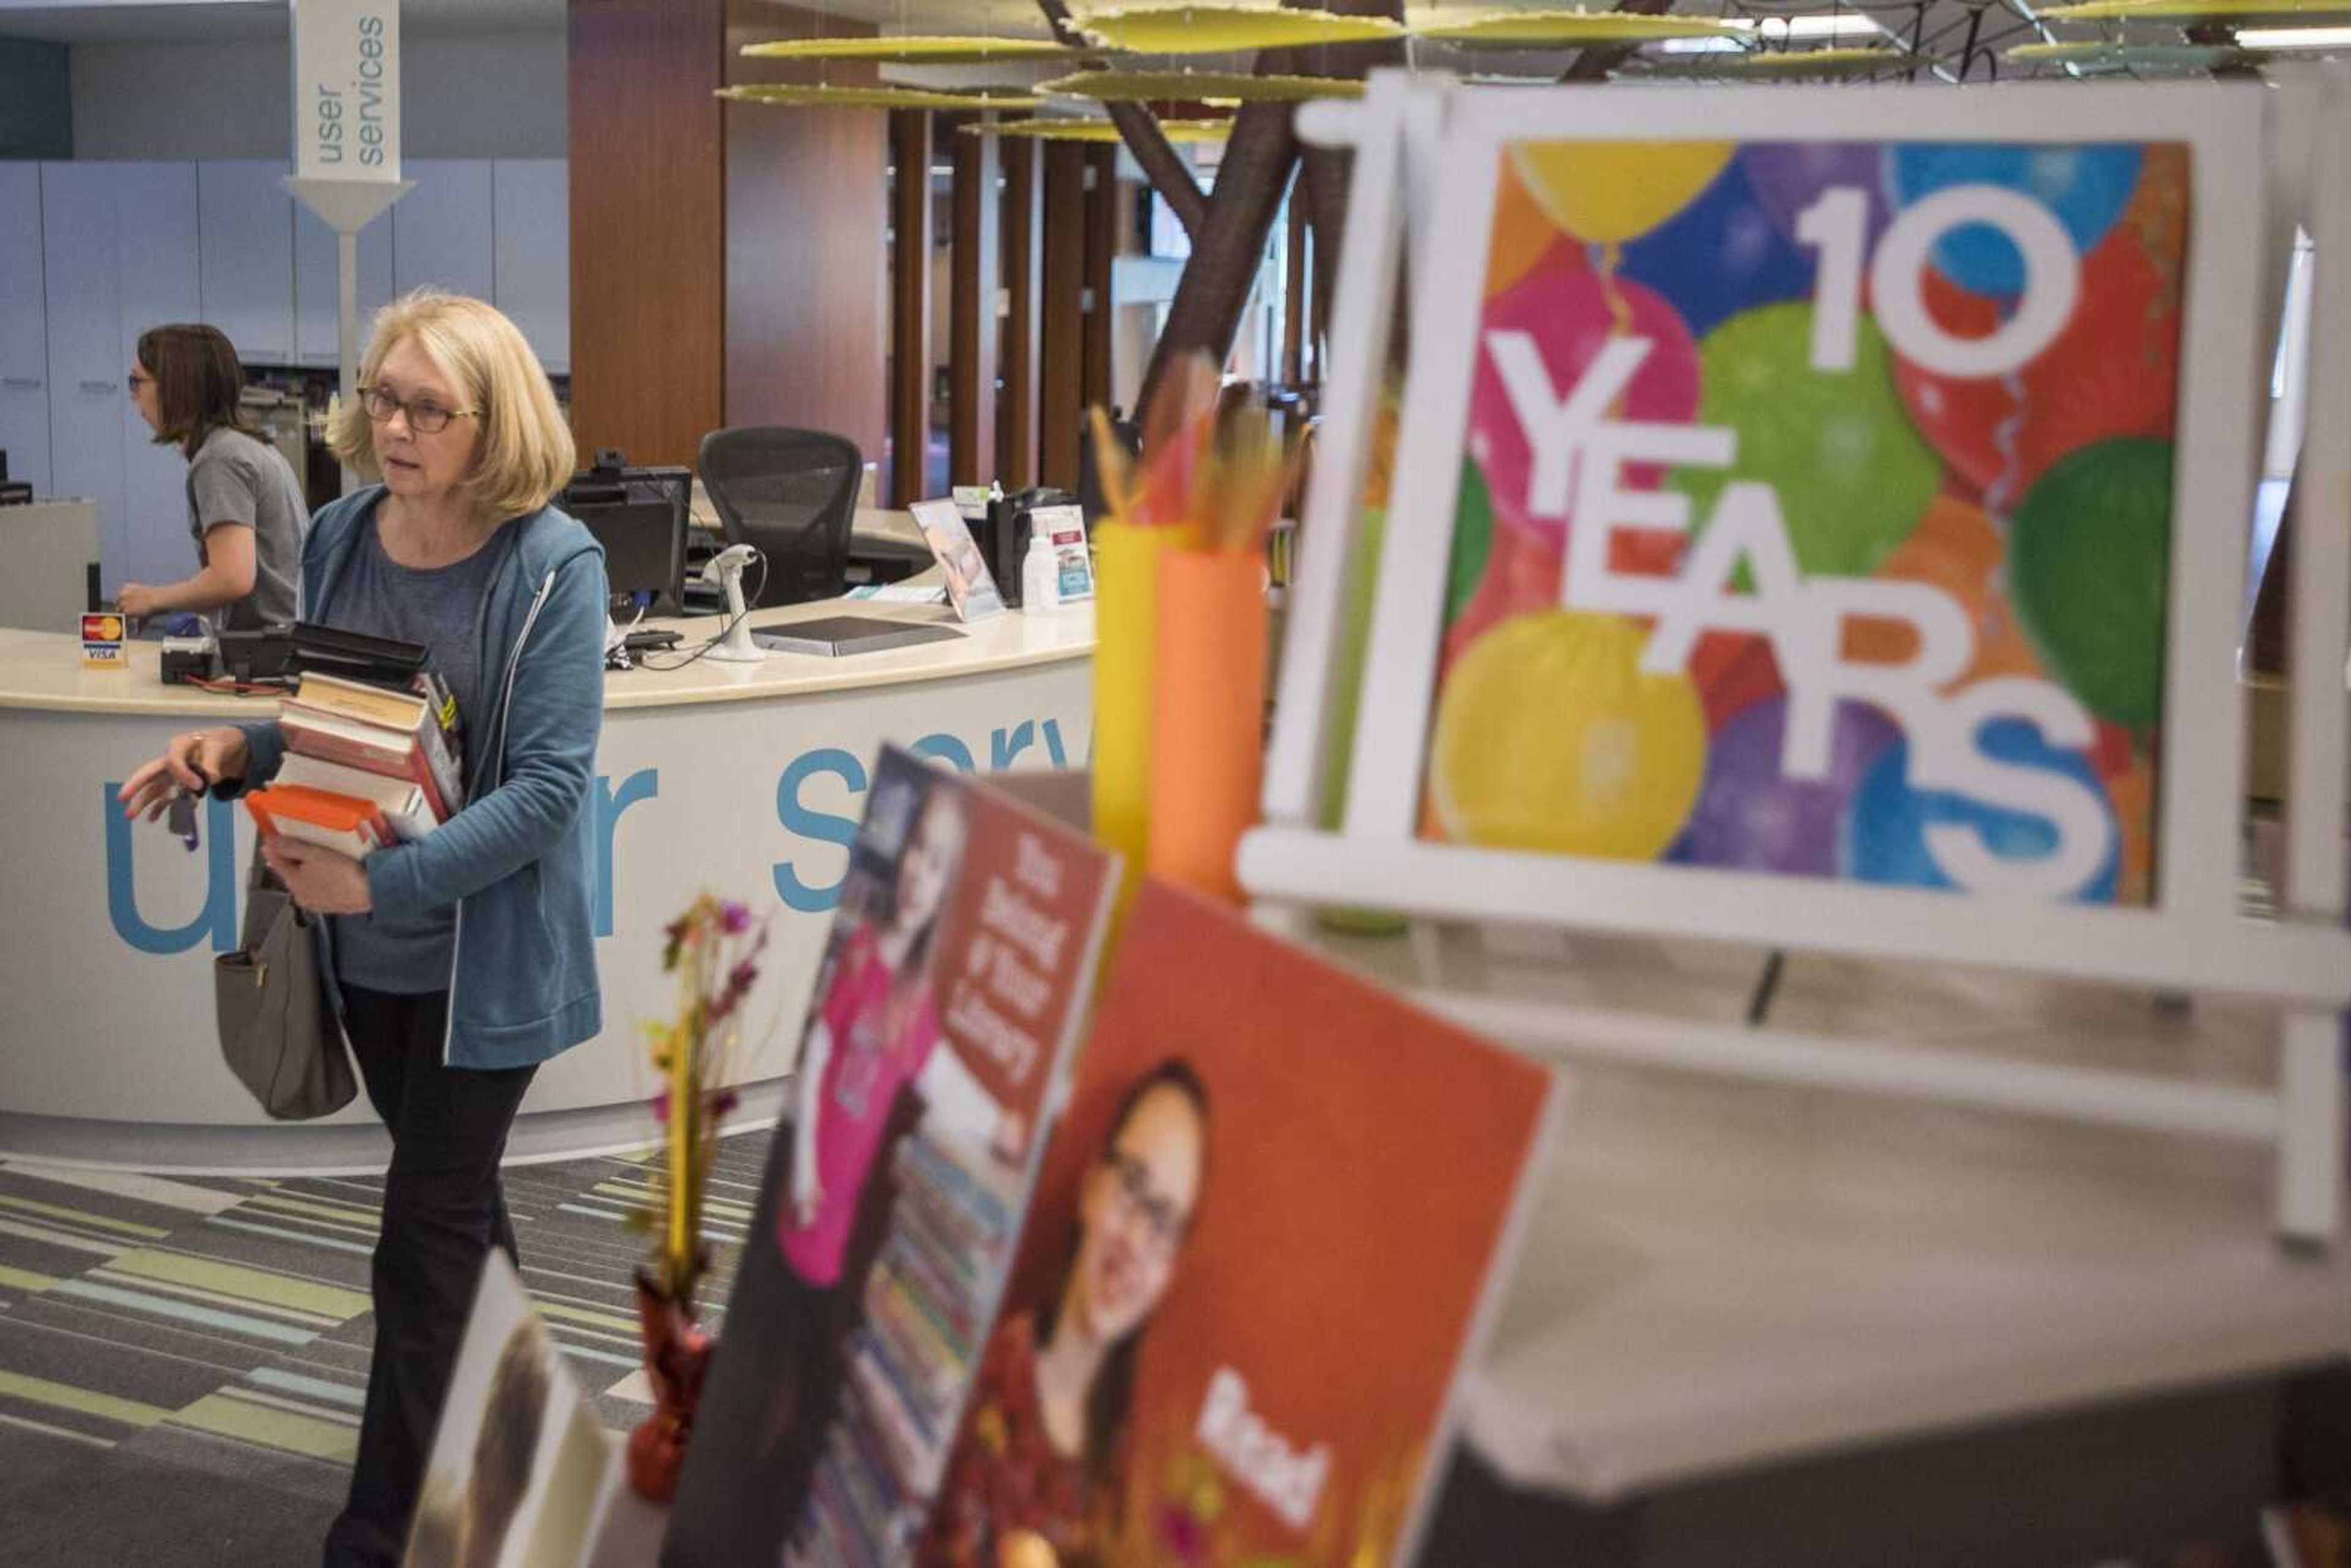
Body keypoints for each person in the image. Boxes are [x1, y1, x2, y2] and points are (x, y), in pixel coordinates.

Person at [117, 289, 609, 1568]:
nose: (394, 425)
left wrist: (384, 886)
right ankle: (545, 1460)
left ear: (492, 420)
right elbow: (332, 723)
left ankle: (378, 1535)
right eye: (383, 398)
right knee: (458, 1230)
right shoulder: (340, 534)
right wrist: (233, 749)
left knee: (419, 1240)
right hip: (366, 958)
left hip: (482, 967)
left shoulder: (552, 563)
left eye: (428, 407)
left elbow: (548, 791)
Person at [918, 1060, 1212, 1568]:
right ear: (1092, 1185)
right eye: (1132, 1187)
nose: (1136, 1241)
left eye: (1164, 1222)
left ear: (1173, 1266)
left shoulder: (1119, 1473)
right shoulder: (977, 1383)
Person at [116, 323, 309, 631]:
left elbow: (231, 578)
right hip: (287, 637)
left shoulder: (220, 459)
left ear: (174, 386)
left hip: (269, 653)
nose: (133, 396)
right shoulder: (249, 446)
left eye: (137, 382)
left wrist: (153, 598)